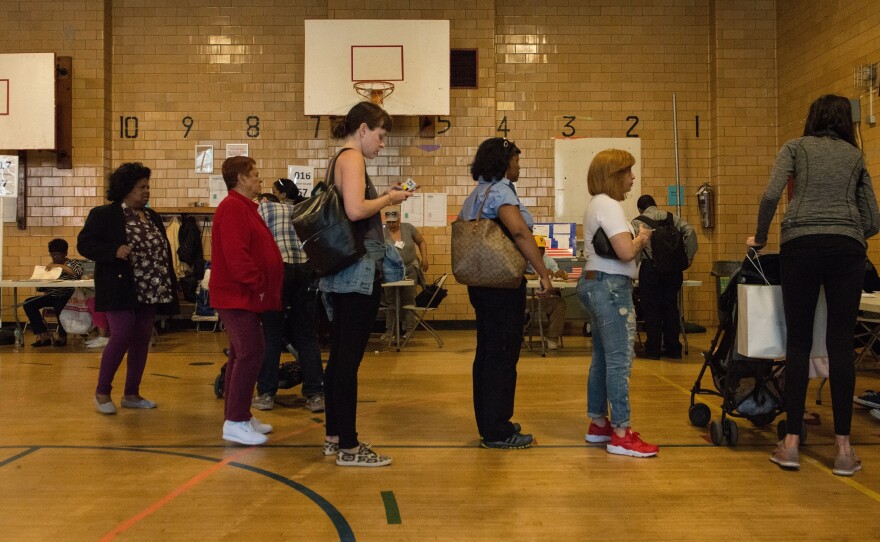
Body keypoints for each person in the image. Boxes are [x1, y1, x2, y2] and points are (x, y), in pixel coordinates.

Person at [747, 94, 880, 476]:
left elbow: (772, 193)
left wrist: (759, 236)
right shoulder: (855, 157)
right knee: (841, 341)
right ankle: (843, 450)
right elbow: (873, 216)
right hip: (847, 249)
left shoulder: (795, 147)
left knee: (799, 341)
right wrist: (850, 229)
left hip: (800, 245)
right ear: (844, 122)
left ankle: (789, 444)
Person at [319, 101, 413, 467]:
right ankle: (350, 447)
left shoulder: (338, 159)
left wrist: (382, 195)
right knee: (348, 362)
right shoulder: (353, 158)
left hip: (340, 272)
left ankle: (334, 437)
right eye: (381, 135)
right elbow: (357, 210)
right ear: (362, 129)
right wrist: (390, 199)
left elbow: (352, 206)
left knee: (339, 358)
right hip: (356, 272)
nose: (383, 143)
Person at [458, 137, 555, 450]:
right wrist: (542, 272)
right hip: (502, 286)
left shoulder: (475, 195)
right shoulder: (499, 192)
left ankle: (489, 423)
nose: (519, 164)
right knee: (502, 356)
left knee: (487, 354)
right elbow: (518, 231)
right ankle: (498, 430)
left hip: (481, 285)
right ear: (502, 162)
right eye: (515, 159)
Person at [78, 162, 179, 414]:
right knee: (121, 334)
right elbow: (85, 244)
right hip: (120, 286)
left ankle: (131, 394)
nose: (146, 191)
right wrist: (113, 251)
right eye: (141, 187)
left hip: (150, 288)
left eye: (148, 186)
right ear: (125, 189)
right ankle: (102, 392)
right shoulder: (105, 214)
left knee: (141, 340)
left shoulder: (152, 215)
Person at [577, 148, 659, 458]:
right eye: (628, 172)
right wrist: (641, 238)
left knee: (602, 358)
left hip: (596, 284)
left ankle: (599, 423)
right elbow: (625, 252)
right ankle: (622, 433)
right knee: (619, 360)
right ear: (614, 176)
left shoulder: (596, 204)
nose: (633, 177)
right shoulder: (609, 205)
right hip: (611, 287)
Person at [211, 157, 284, 446]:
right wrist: (258, 285)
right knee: (251, 352)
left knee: (243, 353)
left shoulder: (244, 207)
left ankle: (239, 413)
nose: (259, 179)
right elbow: (236, 255)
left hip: (243, 295)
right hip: (237, 294)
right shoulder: (232, 208)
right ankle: (235, 421)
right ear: (241, 179)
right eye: (255, 174)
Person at [254, 192, 325, 414]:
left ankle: (266, 394)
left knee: (272, 334)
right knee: (305, 334)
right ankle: (316, 394)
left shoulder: (260, 209)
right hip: (305, 269)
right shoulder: (296, 209)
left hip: (278, 269)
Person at [631, 195, 697, 360]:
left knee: (651, 309)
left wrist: (632, 271)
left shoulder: (637, 221)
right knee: (671, 307)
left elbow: (637, 248)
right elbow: (690, 231)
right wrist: (688, 257)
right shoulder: (671, 217)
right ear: (655, 204)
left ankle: (652, 349)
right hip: (673, 270)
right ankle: (673, 348)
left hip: (651, 269)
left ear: (640, 209)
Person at [22, 238, 84, 347]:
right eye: (53, 255)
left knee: (60, 305)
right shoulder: (50, 266)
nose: (55, 257)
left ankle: (62, 336)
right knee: (28, 303)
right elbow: (42, 289)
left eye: (58, 254)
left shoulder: (73, 263)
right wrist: (40, 281)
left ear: (65, 253)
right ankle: (43, 334)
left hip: (67, 296)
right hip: (51, 295)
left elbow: (77, 274)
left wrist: (60, 266)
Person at [381, 209, 429, 340]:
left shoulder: (408, 228)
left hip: (410, 269)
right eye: (389, 222)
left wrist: (424, 257)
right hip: (391, 272)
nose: (392, 225)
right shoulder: (382, 232)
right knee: (391, 302)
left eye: (394, 222)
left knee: (409, 301)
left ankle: (409, 331)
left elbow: (421, 242)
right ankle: (390, 330)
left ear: (399, 219)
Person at [525, 235, 568, 350]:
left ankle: (552, 338)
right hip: (525, 299)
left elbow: (558, 272)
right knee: (511, 303)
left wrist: (561, 274)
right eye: (538, 248)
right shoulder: (523, 259)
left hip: (544, 298)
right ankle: (516, 337)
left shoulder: (548, 261)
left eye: (542, 249)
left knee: (559, 304)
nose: (540, 251)